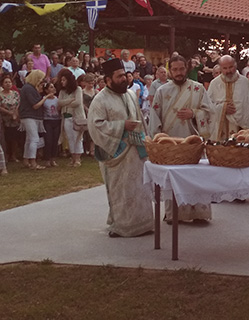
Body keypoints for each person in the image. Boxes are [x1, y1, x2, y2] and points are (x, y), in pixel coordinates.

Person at [87, 59, 154, 238]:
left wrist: (147, 140)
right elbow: (95, 126)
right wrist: (122, 125)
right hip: (116, 153)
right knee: (121, 191)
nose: (124, 79)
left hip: (136, 151)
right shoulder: (99, 100)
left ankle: (144, 223)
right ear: (108, 80)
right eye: (119, 77)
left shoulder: (130, 94)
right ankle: (122, 226)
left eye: (124, 75)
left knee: (140, 188)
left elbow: (140, 118)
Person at [149, 56, 213, 223]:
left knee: (197, 177)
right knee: (172, 179)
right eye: (175, 69)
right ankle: (174, 214)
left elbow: (210, 112)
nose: (178, 73)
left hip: (193, 143)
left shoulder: (198, 89)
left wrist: (194, 114)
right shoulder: (162, 91)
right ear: (170, 71)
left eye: (181, 69)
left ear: (187, 69)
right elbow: (154, 116)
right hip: (170, 144)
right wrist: (157, 140)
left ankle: (199, 213)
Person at [207, 55, 249, 141]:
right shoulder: (214, 84)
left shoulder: (244, 82)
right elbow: (208, 107)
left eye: (231, 67)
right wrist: (223, 108)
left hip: (241, 129)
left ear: (235, 65)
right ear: (220, 68)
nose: (228, 71)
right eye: (225, 68)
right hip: (221, 132)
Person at [19, 70, 50, 170]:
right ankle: (33, 162)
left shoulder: (30, 88)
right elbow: (35, 105)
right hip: (29, 115)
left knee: (29, 139)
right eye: (41, 79)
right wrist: (46, 97)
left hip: (31, 116)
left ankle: (26, 160)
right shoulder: (28, 88)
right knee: (34, 139)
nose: (42, 81)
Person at [57, 69, 86, 167]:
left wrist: (66, 103)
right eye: (61, 80)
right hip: (66, 117)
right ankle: (73, 158)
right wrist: (70, 100)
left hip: (76, 117)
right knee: (70, 138)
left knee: (77, 138)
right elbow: (59, 102)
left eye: (64, 80)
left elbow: (77, 102)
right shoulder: (62, 91)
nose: (62, 82)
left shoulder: (78, 89)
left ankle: (77, 159)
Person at [0, 74, 21, 162]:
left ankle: (13, 155)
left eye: (9, 82)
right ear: (2, 84)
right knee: (6, 137)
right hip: (5, 119)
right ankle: (7, 154)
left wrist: (15, 114)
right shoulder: (0, 95)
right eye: (6, 82)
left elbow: (18, 104)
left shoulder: (15, 93)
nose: (8, 84)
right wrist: (9, 113)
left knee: (15, 137)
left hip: (15, 118)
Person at [41, 81, 61, 167]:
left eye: (53, 87)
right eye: (51, 87)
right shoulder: (44, 99)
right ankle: (47, 159)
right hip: (47, 121)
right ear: (46, 90)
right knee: (48, 140)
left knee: (55, 140)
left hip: (57, 120)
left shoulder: (57, 99)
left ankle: (53, 159)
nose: (53, 89)